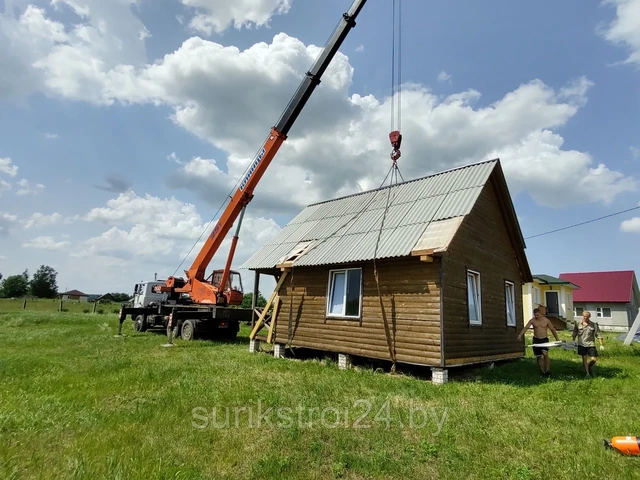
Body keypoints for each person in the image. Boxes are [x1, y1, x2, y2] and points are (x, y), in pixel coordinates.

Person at [517, 308, 559, 377]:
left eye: (538, 315)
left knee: (545, 353)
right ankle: (542, 372)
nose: (536, 316)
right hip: (536, 339)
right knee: (539, 356)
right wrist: (520, 335)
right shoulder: (532, 320)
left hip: (544, 339)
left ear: (540, 314)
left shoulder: (546, 320)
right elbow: (526, 328)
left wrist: (557, 338)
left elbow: (552, 329)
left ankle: (548, 370)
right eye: (535, 315)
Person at [572, 311, 604, 378]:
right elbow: (575, 332)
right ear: (582, 316)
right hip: (581, 344)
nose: (585, 317)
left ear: (589, 317)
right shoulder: (578, 324)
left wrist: (601, 344)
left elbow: (598, 334)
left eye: (587, 316)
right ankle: (587, 374)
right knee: (584, 358)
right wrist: (573, 341)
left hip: (590, 344)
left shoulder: (594, 325)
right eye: (584, 316)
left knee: (593, 359)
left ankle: (589, 366)